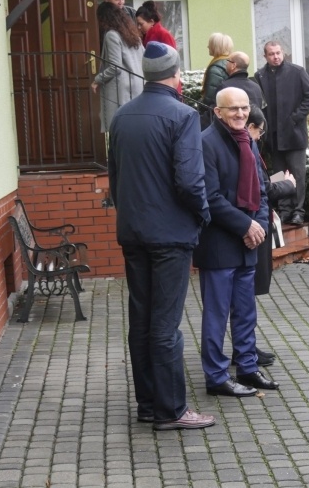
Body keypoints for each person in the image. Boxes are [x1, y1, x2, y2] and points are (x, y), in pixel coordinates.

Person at [108, 41, 215, 431]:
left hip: (133, 232)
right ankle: (172, 410)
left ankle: (150, 404)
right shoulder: (183, 115)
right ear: (174, 76)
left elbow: (115, 180)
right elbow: (189, 180)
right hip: (169, 235)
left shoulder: (121, 116)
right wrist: (202, 214)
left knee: (142, 320)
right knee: (166, 324)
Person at [193, 87, 279, 397]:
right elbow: (210, 198)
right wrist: (246, 225)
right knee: (216, 315)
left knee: (246, 311)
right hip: (219, 243)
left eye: (244, 108)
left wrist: (260, 225)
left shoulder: (248, 141)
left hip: (249, 242)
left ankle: (248, 367)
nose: (241, 114)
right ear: (218, 112)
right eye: (233, 109)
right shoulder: (205, 144)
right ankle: (216, 378)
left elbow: (262, 189)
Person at [248, 105, 296, 367]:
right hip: (253, 227)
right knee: (246, 293)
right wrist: (288, 185)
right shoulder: (247, 146)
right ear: (251, 127)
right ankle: (245, 349)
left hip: (256, 224)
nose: (260, 137)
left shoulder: (248, 145)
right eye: (260, 131)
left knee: (248, 293)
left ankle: (247, 346)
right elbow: (261, 188)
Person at [254, 41, 309, 225]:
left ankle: (299, 211)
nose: (276, 56)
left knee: (298, 175)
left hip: (294, 133)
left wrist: (295, 118)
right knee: (278, 174)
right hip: (272, 135)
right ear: (265, 56)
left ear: (283, 53)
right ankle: (284, 210)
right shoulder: (260, 76)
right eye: (271, 54)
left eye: (278, 53)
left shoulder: (297, 72)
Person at [92, 2, 144, 134]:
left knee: (119, 129)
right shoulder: (132, 34)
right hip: (137, 85)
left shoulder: (111, 35)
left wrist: (97, 79)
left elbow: (115, 66)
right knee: (133, 128)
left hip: (122, 88)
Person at [199, 33, 234, 128]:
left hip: (215, 117)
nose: (207, 47)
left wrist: (199, 107)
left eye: (210, 44)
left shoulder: (215, 69)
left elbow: (209, 99)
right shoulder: (231, 64)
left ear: (216, 47)